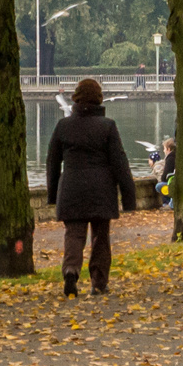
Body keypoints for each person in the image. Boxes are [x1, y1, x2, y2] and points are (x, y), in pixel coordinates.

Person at [45, 78, 137, 298]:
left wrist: (53, 194)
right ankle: (98, 282)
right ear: (99, 99)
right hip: (101, 190)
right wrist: (128, 197)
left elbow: (52, 161)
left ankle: (70, 271)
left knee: (74, 234)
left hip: (72, 189)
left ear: (76, 98)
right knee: (101, 237)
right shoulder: (107, 126)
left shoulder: (63, 126)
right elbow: (120, 163)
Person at [156, 136, 177, 208]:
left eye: (164, 148)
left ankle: (167, 203)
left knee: (159, 186)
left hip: (174, 183)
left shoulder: (170, 158)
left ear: (168, 149)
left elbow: (165, 176)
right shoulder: (177, 155)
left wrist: (161, 178)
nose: (163, 151)